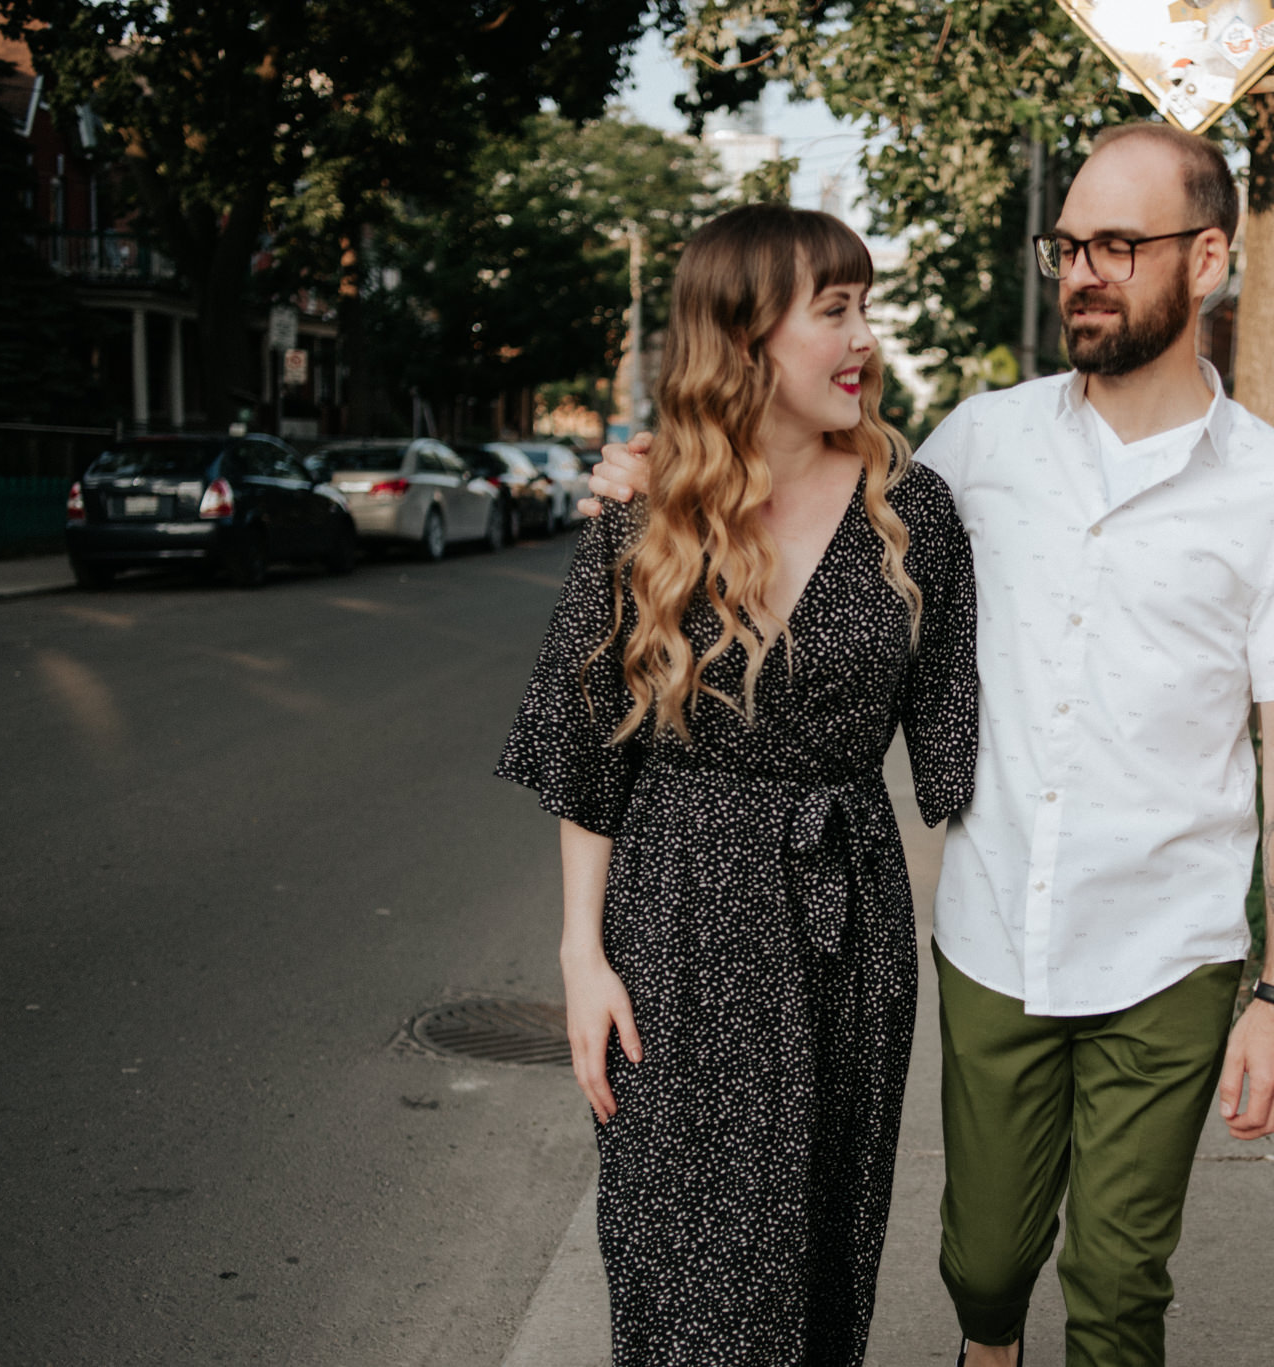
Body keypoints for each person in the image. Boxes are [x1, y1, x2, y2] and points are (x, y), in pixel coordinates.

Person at [587, 123, 1274, 1367]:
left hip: (1168, 941)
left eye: (1118, 244)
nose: (1082, 272)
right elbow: (804, 487)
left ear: (1208, 257)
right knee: (985, 1265)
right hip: (996, 928)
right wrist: (654, 468)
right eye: (1066, 246)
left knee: (1118, 1285)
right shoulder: (974, 448)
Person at [496, 203, 979, 1367]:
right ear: (745, 333)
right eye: (835, 310)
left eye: (865, 305)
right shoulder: (644, 515)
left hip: (845, 922)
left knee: (818, 1251)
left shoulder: (917, 516)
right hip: (675, 921)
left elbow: (963, 754)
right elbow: (583, 757)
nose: (864, 336)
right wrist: (580, 958)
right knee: (675, 1251)